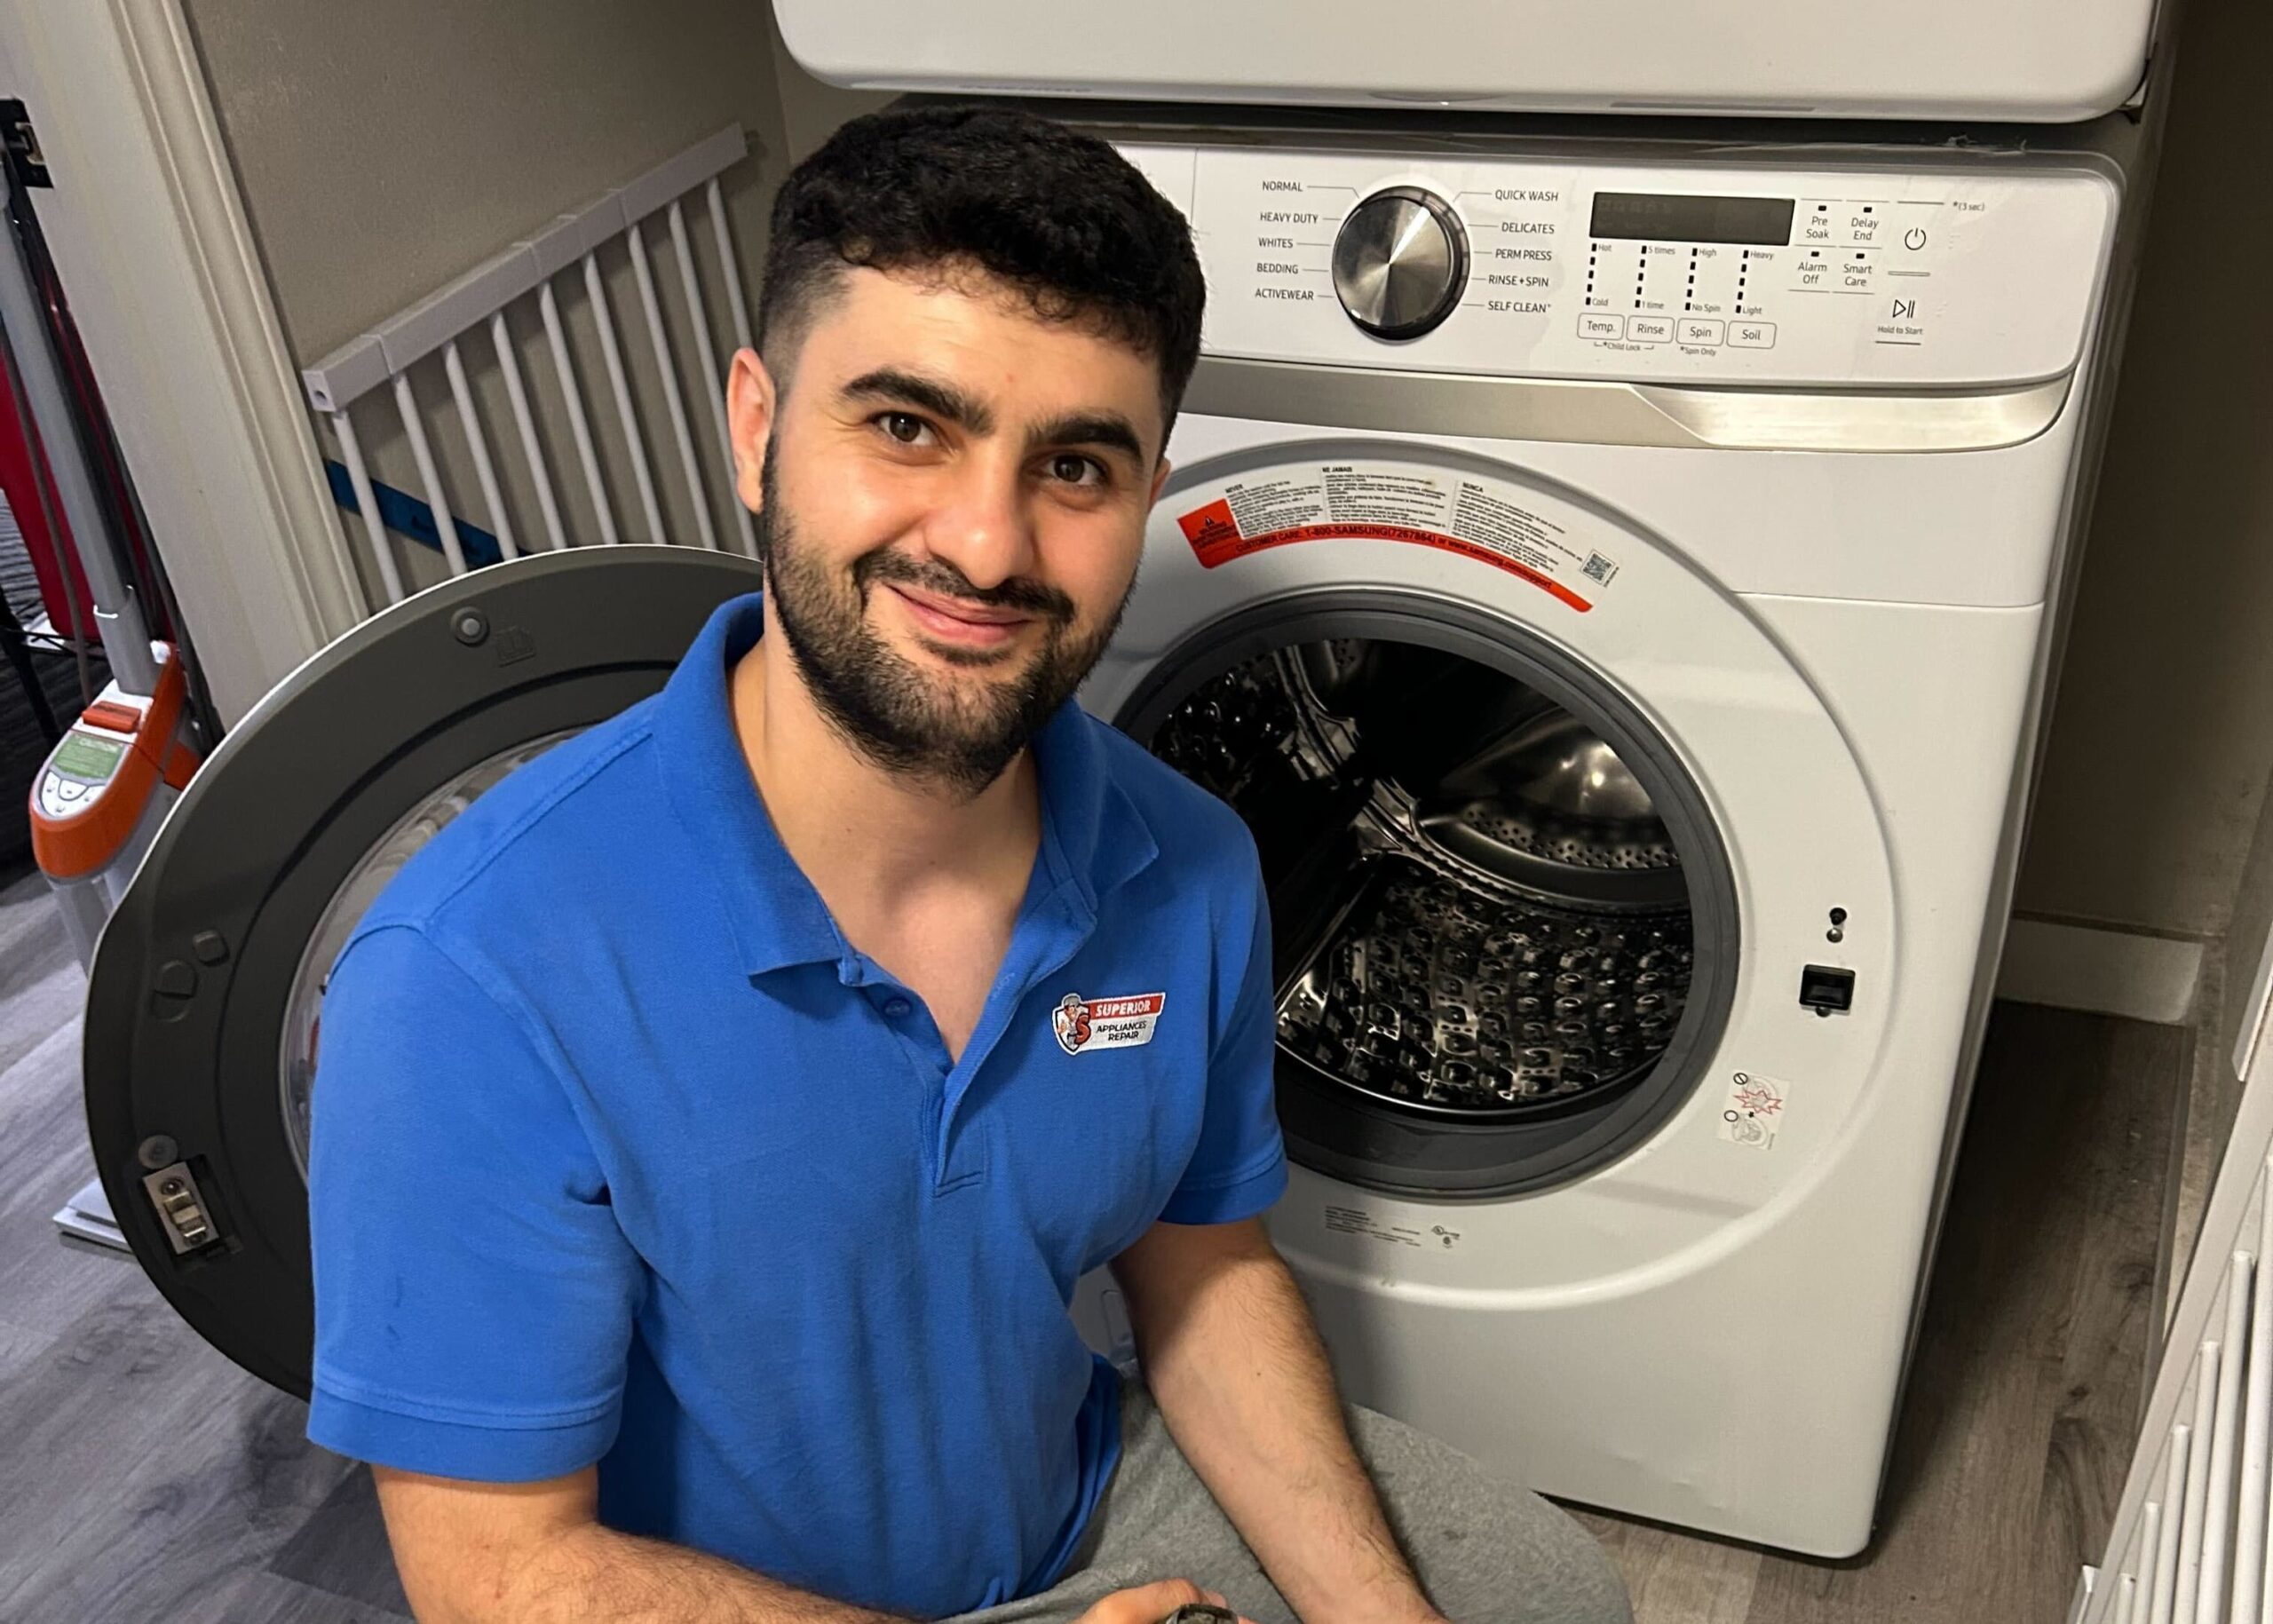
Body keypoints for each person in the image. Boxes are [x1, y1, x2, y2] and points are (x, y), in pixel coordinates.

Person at [306, 104, 1631, 1624]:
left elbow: (1201, 1276)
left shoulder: (1188, 861)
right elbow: (502, 1574)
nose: (992, 546)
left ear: (1146, 489)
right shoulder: (469, 972)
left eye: (1075, 463)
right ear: (755, 425)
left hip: (1074, 1515)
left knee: (1548, 1594)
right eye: (906, 425)